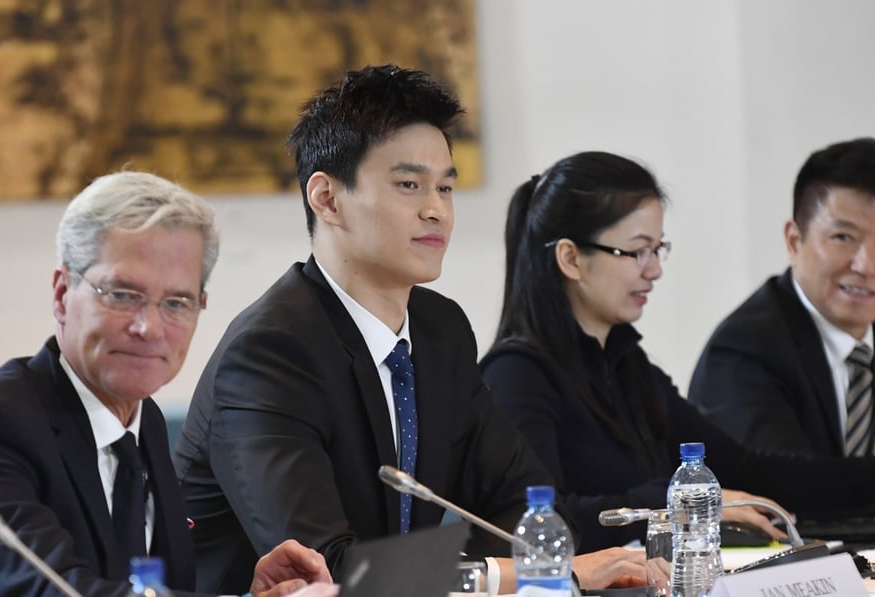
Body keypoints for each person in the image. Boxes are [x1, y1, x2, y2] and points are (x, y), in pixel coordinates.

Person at [173, 65, 646, 594]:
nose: (436, 210)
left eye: (446, 187)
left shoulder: (439, 330)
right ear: (326, 198)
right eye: (408, 185)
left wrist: (472, 575)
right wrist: (506, 575)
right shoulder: (270, 353)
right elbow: (326, 574)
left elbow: (533, 509)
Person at [479, 151, 875, 553]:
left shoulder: (627, 366)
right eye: (637, 251)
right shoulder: (517, 375)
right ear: (571, 259)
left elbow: (744, 468)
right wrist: (677, 504)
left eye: (658, 249)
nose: (655, 269)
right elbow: (538, 520)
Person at [0, 172, 335, 596]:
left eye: (176, 303)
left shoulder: (143, 423)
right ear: (61, 293)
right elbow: (53, 591)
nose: (148, 327)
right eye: (122, 295)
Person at [687, 137, 875, 502]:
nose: (865, 265)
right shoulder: (744, 349)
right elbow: (787, 489)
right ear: (794, 241)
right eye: (843, 237)